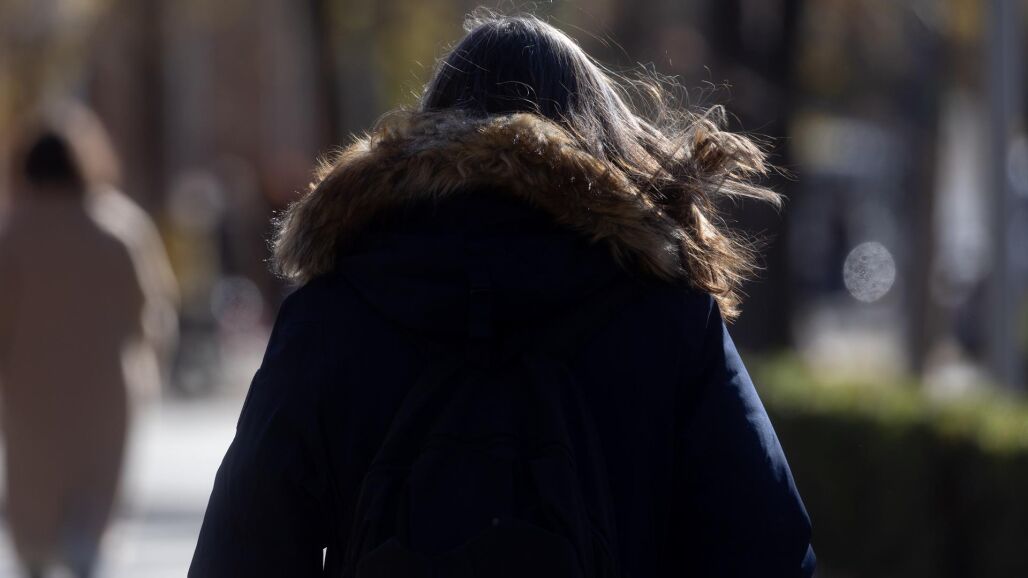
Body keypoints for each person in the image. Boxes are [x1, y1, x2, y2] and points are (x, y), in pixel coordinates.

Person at [190, 13, 815, 578]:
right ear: (604, 135)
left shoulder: (332, 315)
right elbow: (767, 550)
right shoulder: (666, 318)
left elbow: (243, 549)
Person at [0, 104, 177, 577]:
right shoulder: (120, 228)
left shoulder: (12, 235)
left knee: (35, 514)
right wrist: (148, 375)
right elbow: (153, 315)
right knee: (90, 512)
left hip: (30, 397)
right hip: (104, 396)